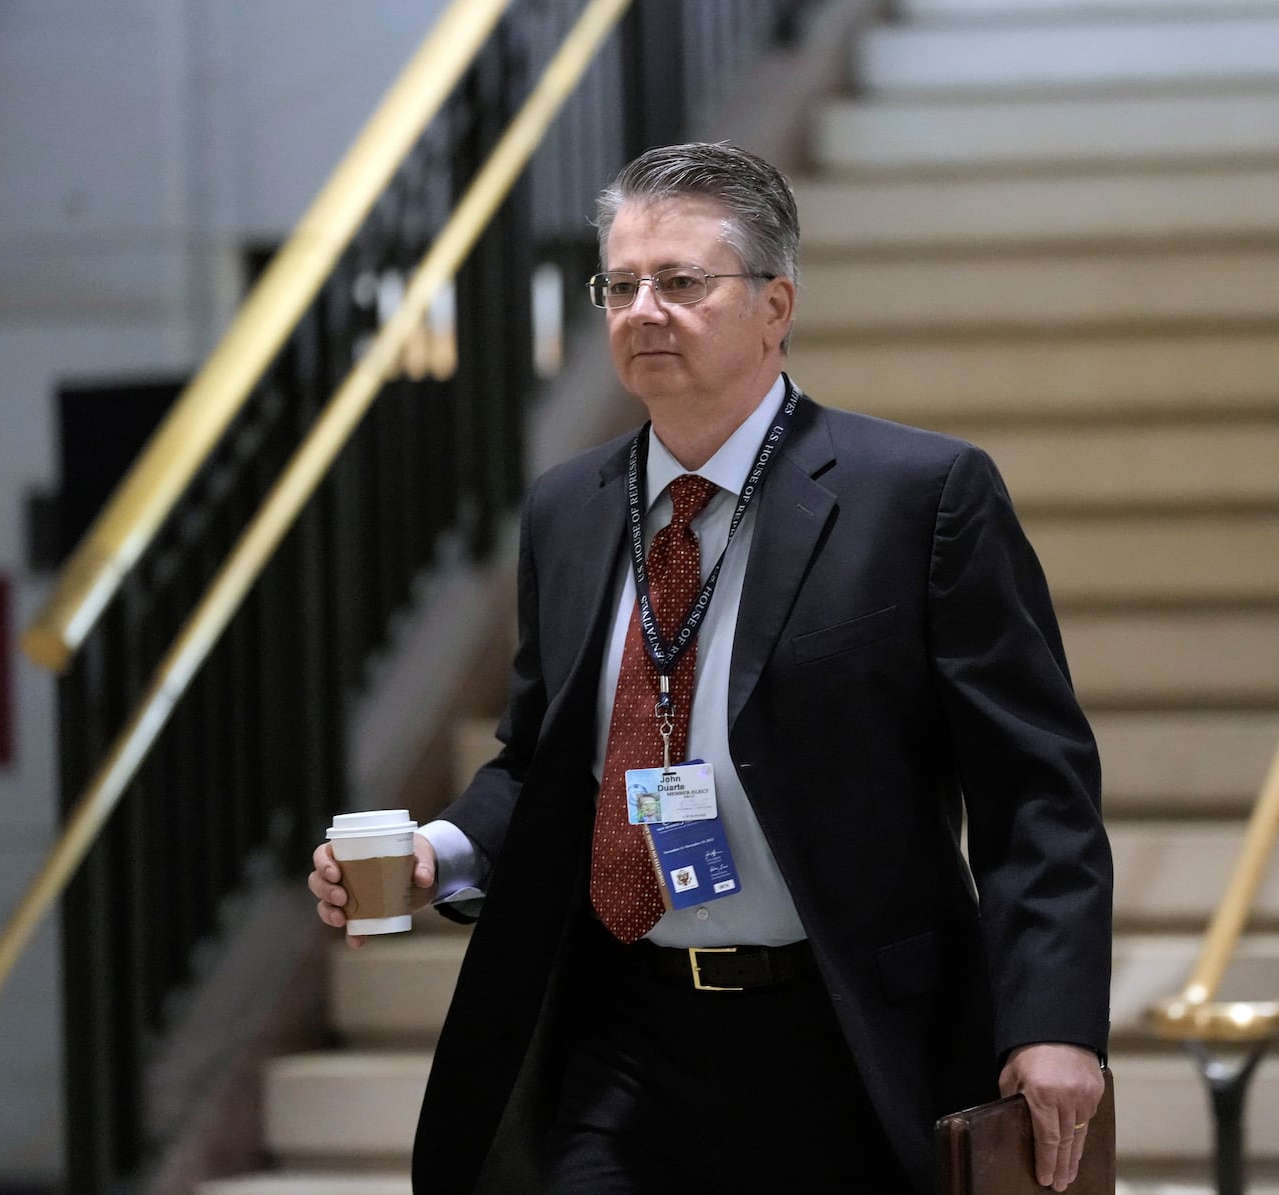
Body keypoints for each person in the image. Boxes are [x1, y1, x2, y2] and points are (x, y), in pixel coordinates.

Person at [310, 141, 1113, 1195]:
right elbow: (538, 757)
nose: (644, 309)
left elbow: (1034, 788)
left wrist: (1052, 1022)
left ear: (774, 305)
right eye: (622, 283)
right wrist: (440, 854)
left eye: (683, 281)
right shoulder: (569, 507)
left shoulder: (917, 497)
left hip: (844, 1025)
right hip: (623, 1033)